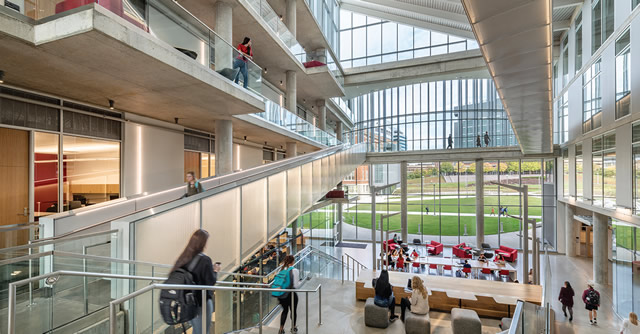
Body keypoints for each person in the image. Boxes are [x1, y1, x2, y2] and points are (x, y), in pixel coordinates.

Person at [171, 229, 220, 334]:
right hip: (201, 302)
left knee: (197, 330)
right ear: (203, 243)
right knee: (202, 331)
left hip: (187, 302)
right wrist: (215, 271)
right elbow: (210, 282)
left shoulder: (183, 258)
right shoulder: (205, 260)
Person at [277, 255, 302, 334]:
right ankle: (293, 327)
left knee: (285, 311)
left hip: (282, 295)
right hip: (291, 294)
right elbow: (296, 285)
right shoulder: (295, 270)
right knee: (293, 311)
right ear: (292, 261)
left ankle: (281, 329)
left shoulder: (280, 270)